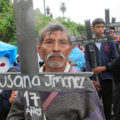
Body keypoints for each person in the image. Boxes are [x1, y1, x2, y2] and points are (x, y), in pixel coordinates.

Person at [7, 22, 105, 120]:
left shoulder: (84, 84)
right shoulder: (29, 82)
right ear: (39, 50)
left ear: (69, 50)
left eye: (62, 43)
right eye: (49, 42)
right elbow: (14, 116)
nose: (56, 48)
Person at [85, 18, 119, 120]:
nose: (100, 29)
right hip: (94, 80)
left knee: (108, 105)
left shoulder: (109, 42)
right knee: (93, 106)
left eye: (102, 27)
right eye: (98, 27)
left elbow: (116, 60)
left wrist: (104, 67)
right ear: (92, 28)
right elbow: (87, 63)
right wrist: (92, 80)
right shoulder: (88, 44)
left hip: (107, 78)